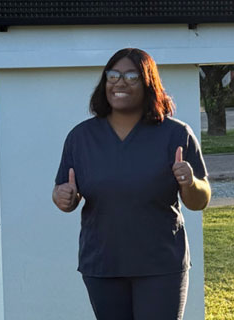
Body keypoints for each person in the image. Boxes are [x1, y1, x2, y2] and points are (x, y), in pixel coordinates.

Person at [52, 48, 211, 320]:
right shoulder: (81, 137)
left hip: (161, 264)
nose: (119, 82)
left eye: (131, 76)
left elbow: (200, 200)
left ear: (149, 83)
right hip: (103, 264)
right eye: (112, 76)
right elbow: (64, 193)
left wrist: (189, 181)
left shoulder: (176, 134)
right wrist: (63, 197)